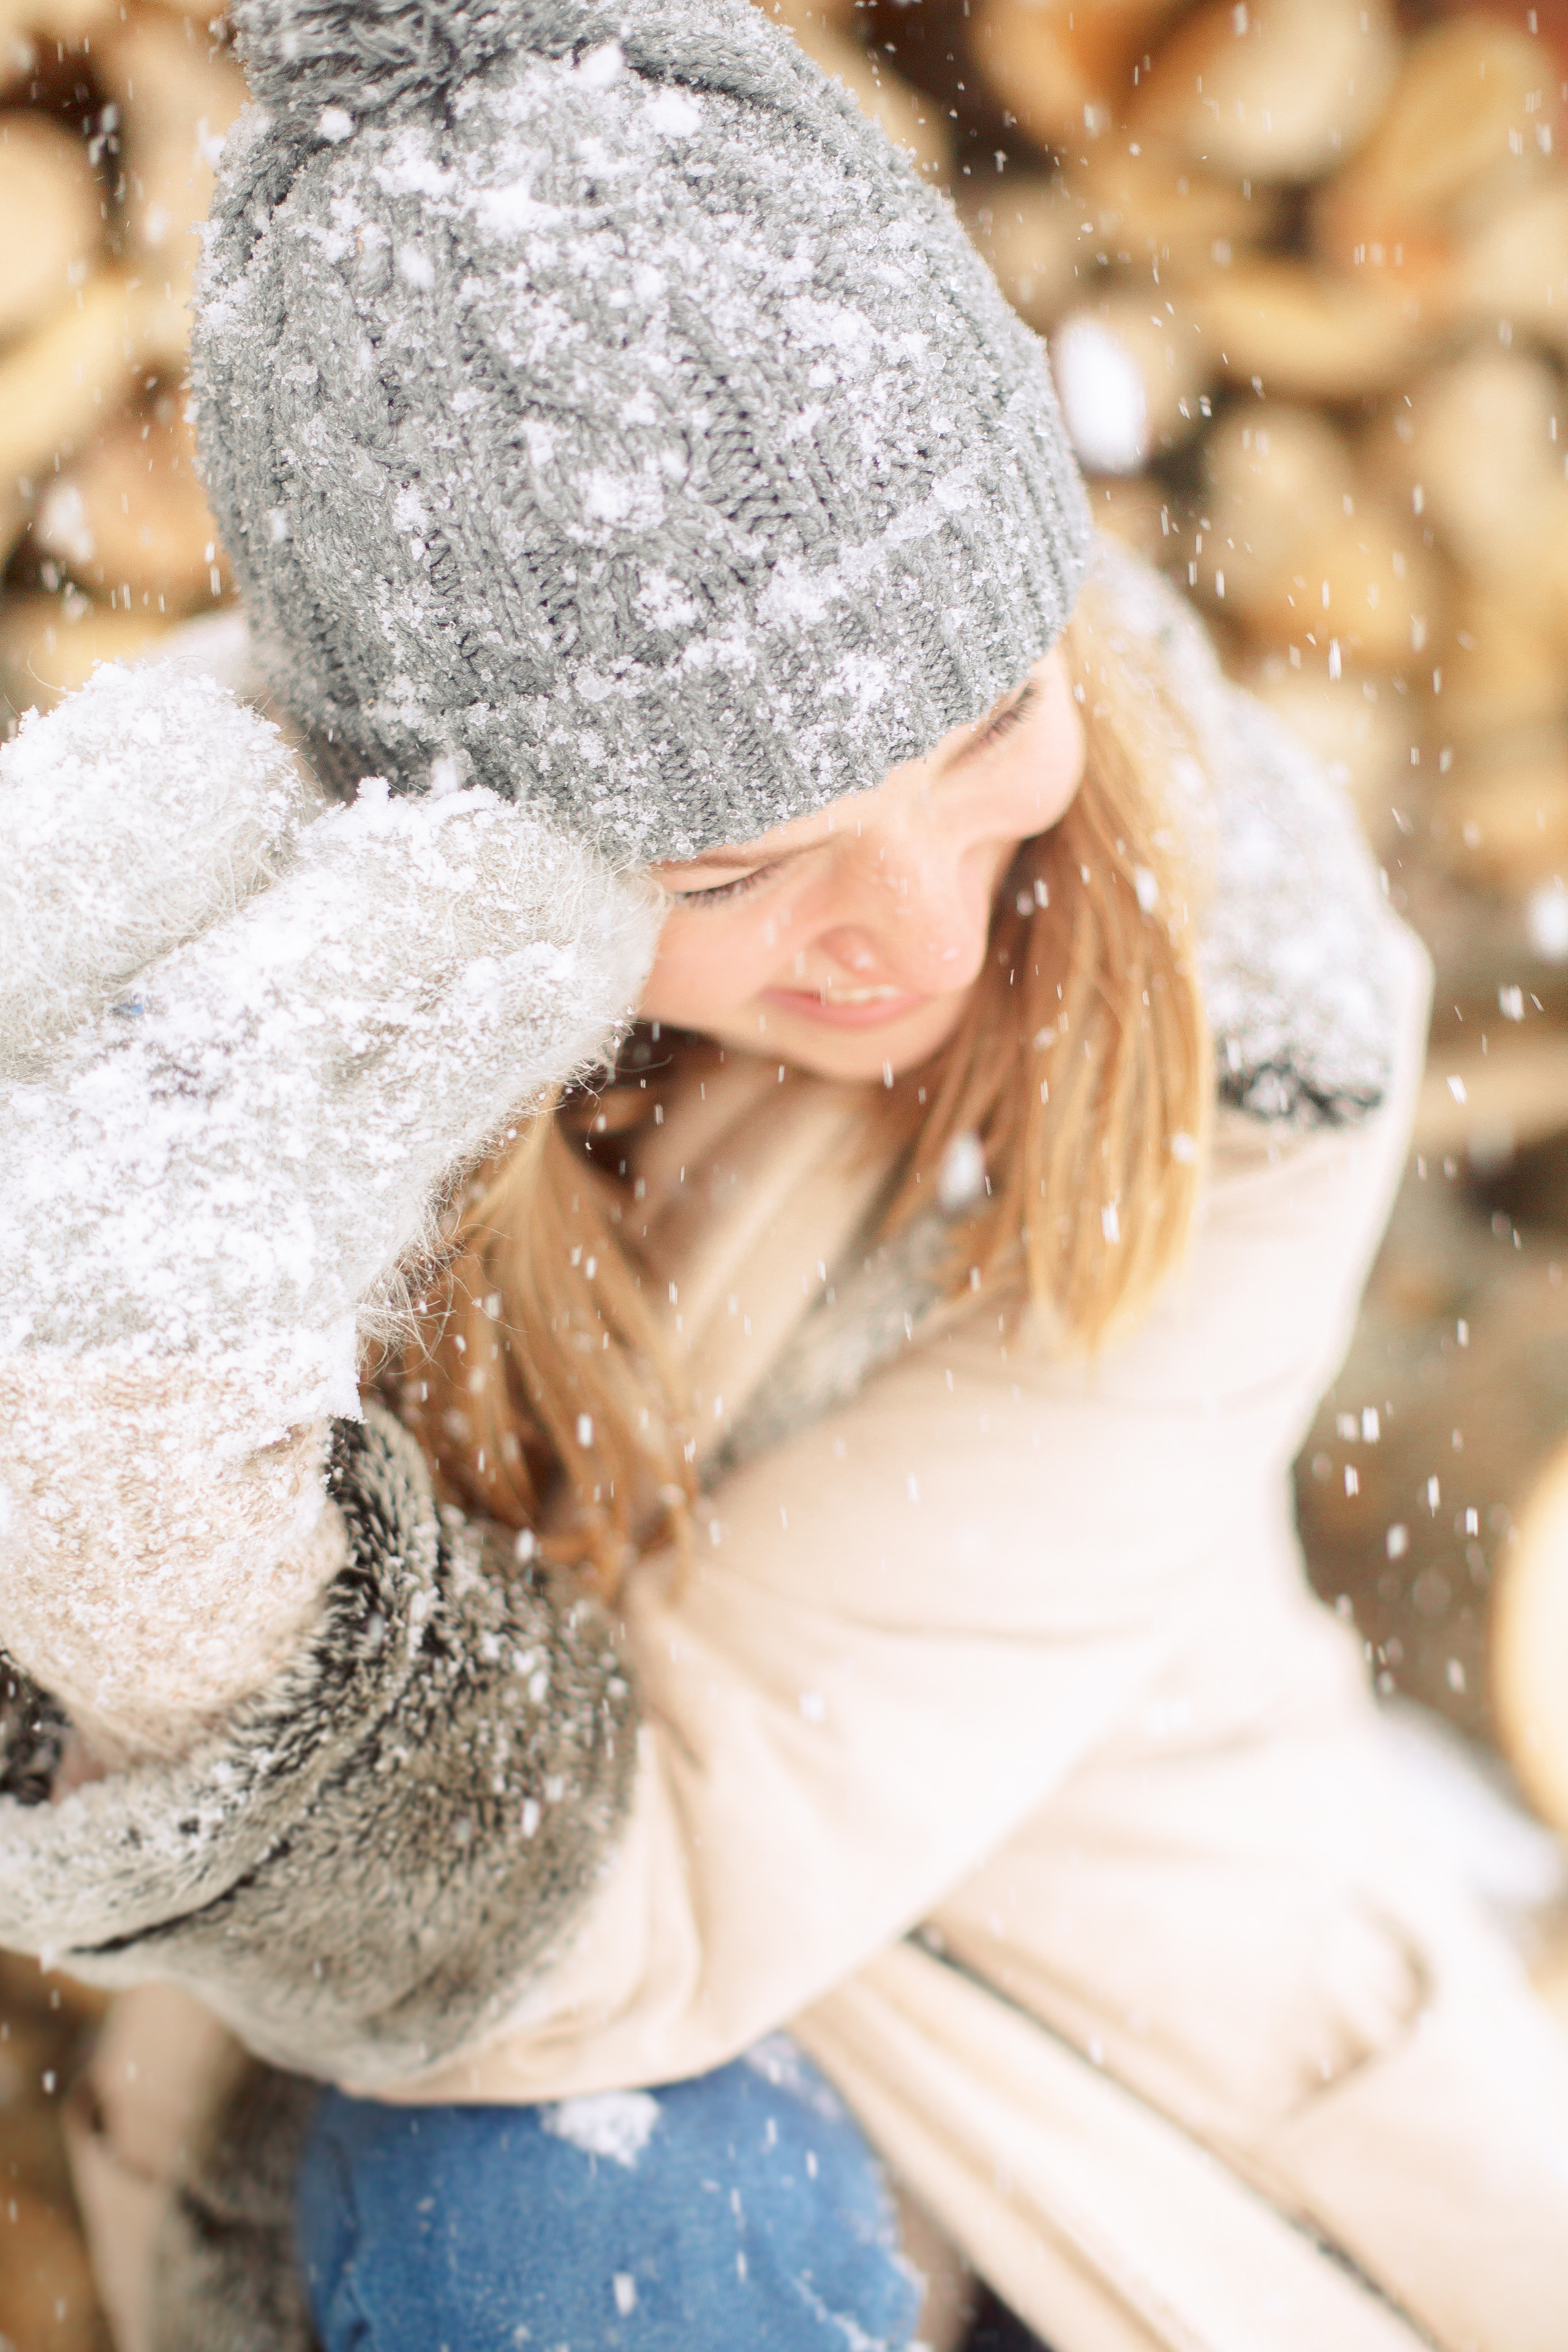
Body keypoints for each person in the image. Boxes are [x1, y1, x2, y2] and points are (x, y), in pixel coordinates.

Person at [0, 1, 1564, 2347]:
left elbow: (644, 1901)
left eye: (992, 725)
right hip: (512, 2146)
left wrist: (160, 1555)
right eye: (735, 865)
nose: (920, 934)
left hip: (1128, 2090)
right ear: (457, 849)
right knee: (541, 2211)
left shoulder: (1236, 1052)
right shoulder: (237, 937)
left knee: (570, 2197)